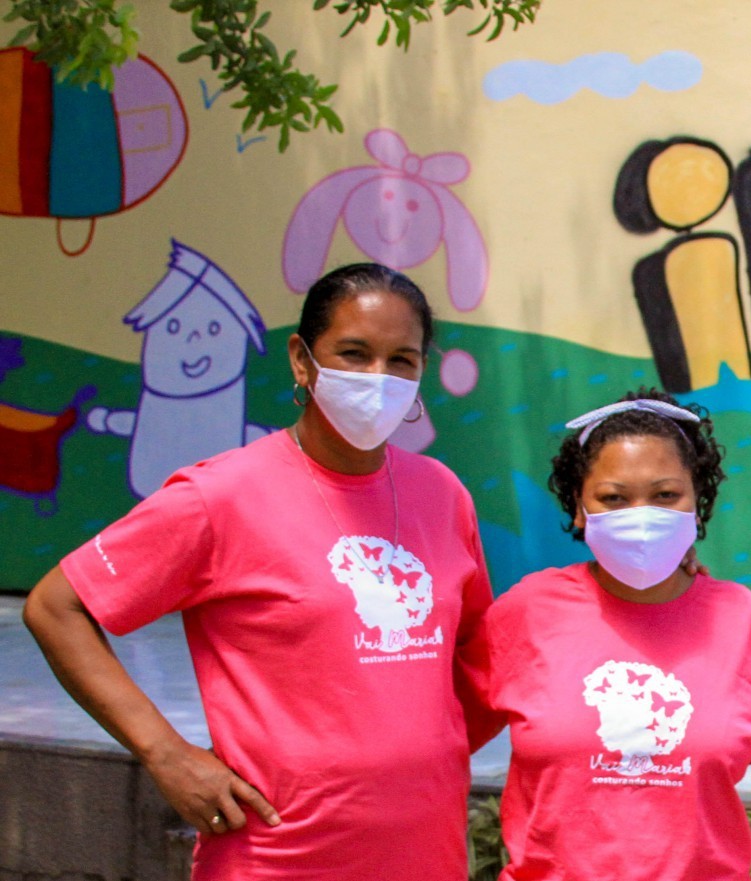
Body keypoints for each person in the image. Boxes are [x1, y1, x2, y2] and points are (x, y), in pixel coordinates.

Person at [24, 264, 493, 880]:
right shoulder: (220, 497)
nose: (377, 378)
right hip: (278, 855)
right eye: (353, 353)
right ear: (302, 360)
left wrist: (412, 760)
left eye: (401, 360)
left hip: (424, 853)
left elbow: (475, 658)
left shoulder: (442, 493)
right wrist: (165, 754)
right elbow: (57, 607)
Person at [468, 389, 751, 880]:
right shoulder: (527, 613)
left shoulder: (741, 622)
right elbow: (442, 736)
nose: (640, 515)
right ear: (577, 505)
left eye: (664, 495)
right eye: (613, 498)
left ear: (696, 499)